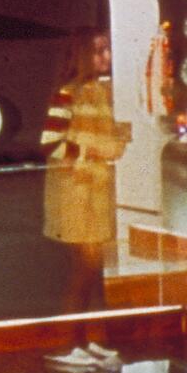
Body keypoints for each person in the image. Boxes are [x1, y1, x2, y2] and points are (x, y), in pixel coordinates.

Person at [42, 30, 131, 310]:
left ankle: (90, 341)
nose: (107, 56)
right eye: (98, 51)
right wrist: (89, 151)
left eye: (108, 49)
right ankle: (70, 343)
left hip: (98, 192)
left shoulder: (108, 92)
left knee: (94, 273)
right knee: (85, 271)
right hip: (74, 194)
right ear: (82, 56)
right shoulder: (67, 94)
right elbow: (50, 144)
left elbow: (120, 139)